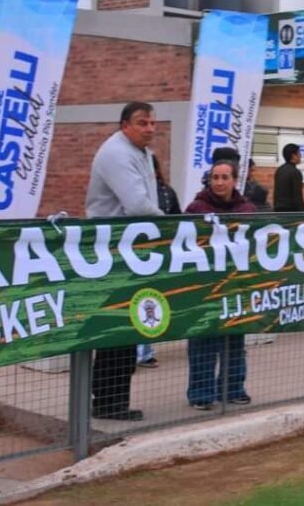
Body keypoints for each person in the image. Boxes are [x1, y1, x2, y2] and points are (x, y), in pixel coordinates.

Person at [85, 101, 164, 421]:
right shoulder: (117, 153)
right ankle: (108, 402)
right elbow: (137, 205)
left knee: (126, 329)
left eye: (153, 123)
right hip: (114, 253)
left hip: (131, 251)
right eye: (142, 123)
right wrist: (167, 224)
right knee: (116, 330)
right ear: (125, 126)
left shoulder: (140, 153)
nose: (150, 128)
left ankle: (114, 400)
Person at [184, 159, 257, 410]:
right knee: (203, 341)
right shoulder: (196, 208)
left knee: (235, 340)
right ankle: (201, 394)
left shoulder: (247, 210)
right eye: (215, 177)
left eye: (225, 177)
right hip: (204, 287)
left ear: (235, 180)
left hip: (235, 285)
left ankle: (232, 388)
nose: (219, 182)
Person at [137, 155, 182, 369]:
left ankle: (145, 351)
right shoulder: (135, 192)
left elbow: (177, 220)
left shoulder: (166, 192)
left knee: (150, 299)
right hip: (136, 255)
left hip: (159, 254)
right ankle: (139, 351)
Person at [273, 143, 304, 212]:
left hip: (278, 210)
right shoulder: (295, 172)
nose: (301, 156)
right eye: (299, 153)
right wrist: (303, 213)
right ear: (293, 156)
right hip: (291, 212)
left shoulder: (279, 170)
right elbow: (297, 196)